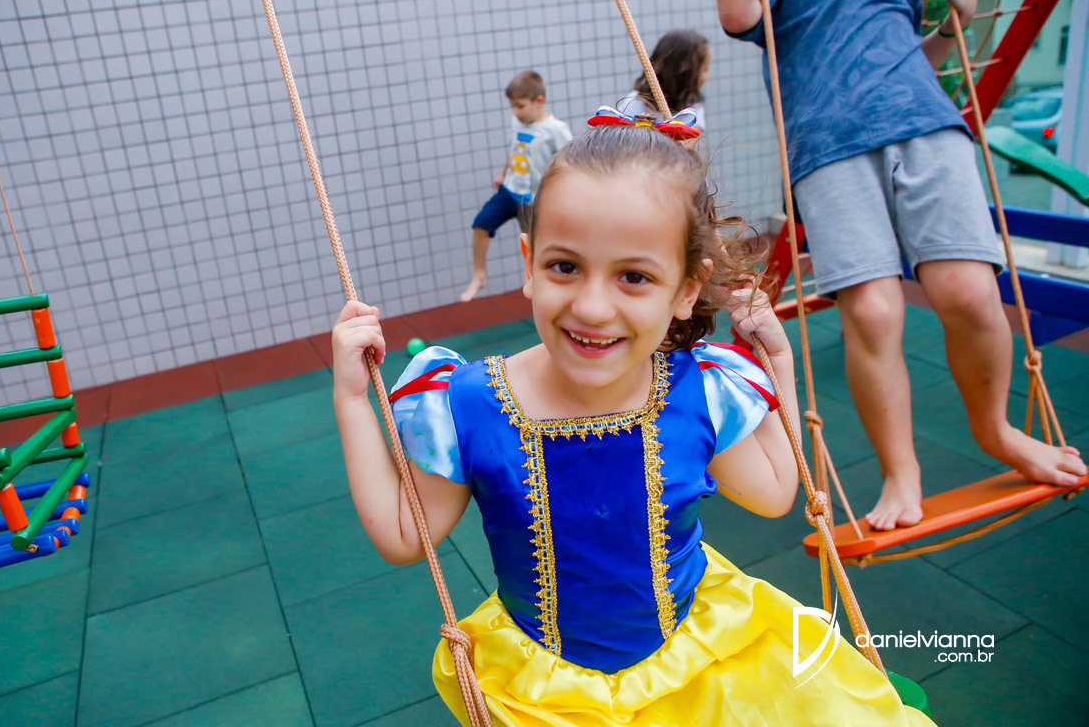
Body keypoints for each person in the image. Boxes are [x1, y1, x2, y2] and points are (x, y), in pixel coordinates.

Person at [332, 121, 934, 725]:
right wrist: (353, 400)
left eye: (634, 276)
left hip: (699, 660)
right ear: (528, 263)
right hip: (546, 687)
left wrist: (777, 361)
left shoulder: (698, 391)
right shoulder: (469, 404)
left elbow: (777, 492)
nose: (593, 307)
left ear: (686, 289)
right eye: (565, 266)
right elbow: (404, 535)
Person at [714, 0, 1085, 530]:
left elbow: (909, 61)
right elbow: (736, 11)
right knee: (874, 311)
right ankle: (900, 470)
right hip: (829, 146)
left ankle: (996, 430)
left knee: (970, 293)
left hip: (928, 128)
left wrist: (955, 23)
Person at [459, 71, 573, 302]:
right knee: (481, 224)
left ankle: (534, 283)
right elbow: (515, 149)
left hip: (533, 200)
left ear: (539, 100)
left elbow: (569, 164)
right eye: (512, 106)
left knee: (532, 245)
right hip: (510, 191)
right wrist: (503, 174)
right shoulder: (517, 122)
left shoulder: (555, 129)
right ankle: (479, 275)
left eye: (520, 106)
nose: (515, 112)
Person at [618, 28, 711, 128]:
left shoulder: (691, 111)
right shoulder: (633, 103)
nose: (707, 76)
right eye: (705, 69)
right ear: (686, 72)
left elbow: (692, 136)